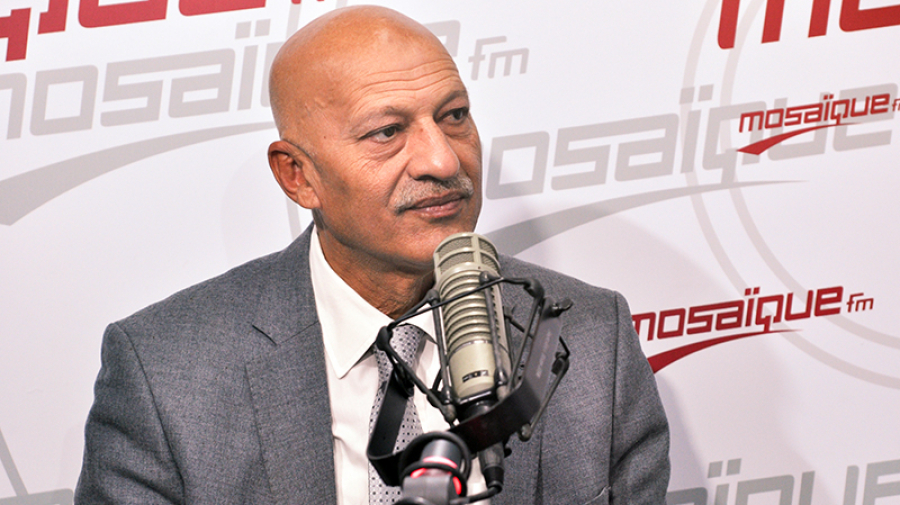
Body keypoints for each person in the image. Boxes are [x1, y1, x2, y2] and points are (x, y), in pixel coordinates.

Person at [74, 6, 669, 505]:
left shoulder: (591, 338)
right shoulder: (165, 372)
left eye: (454, 116)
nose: (442, 160)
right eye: (386, 131)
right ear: (298, 176)